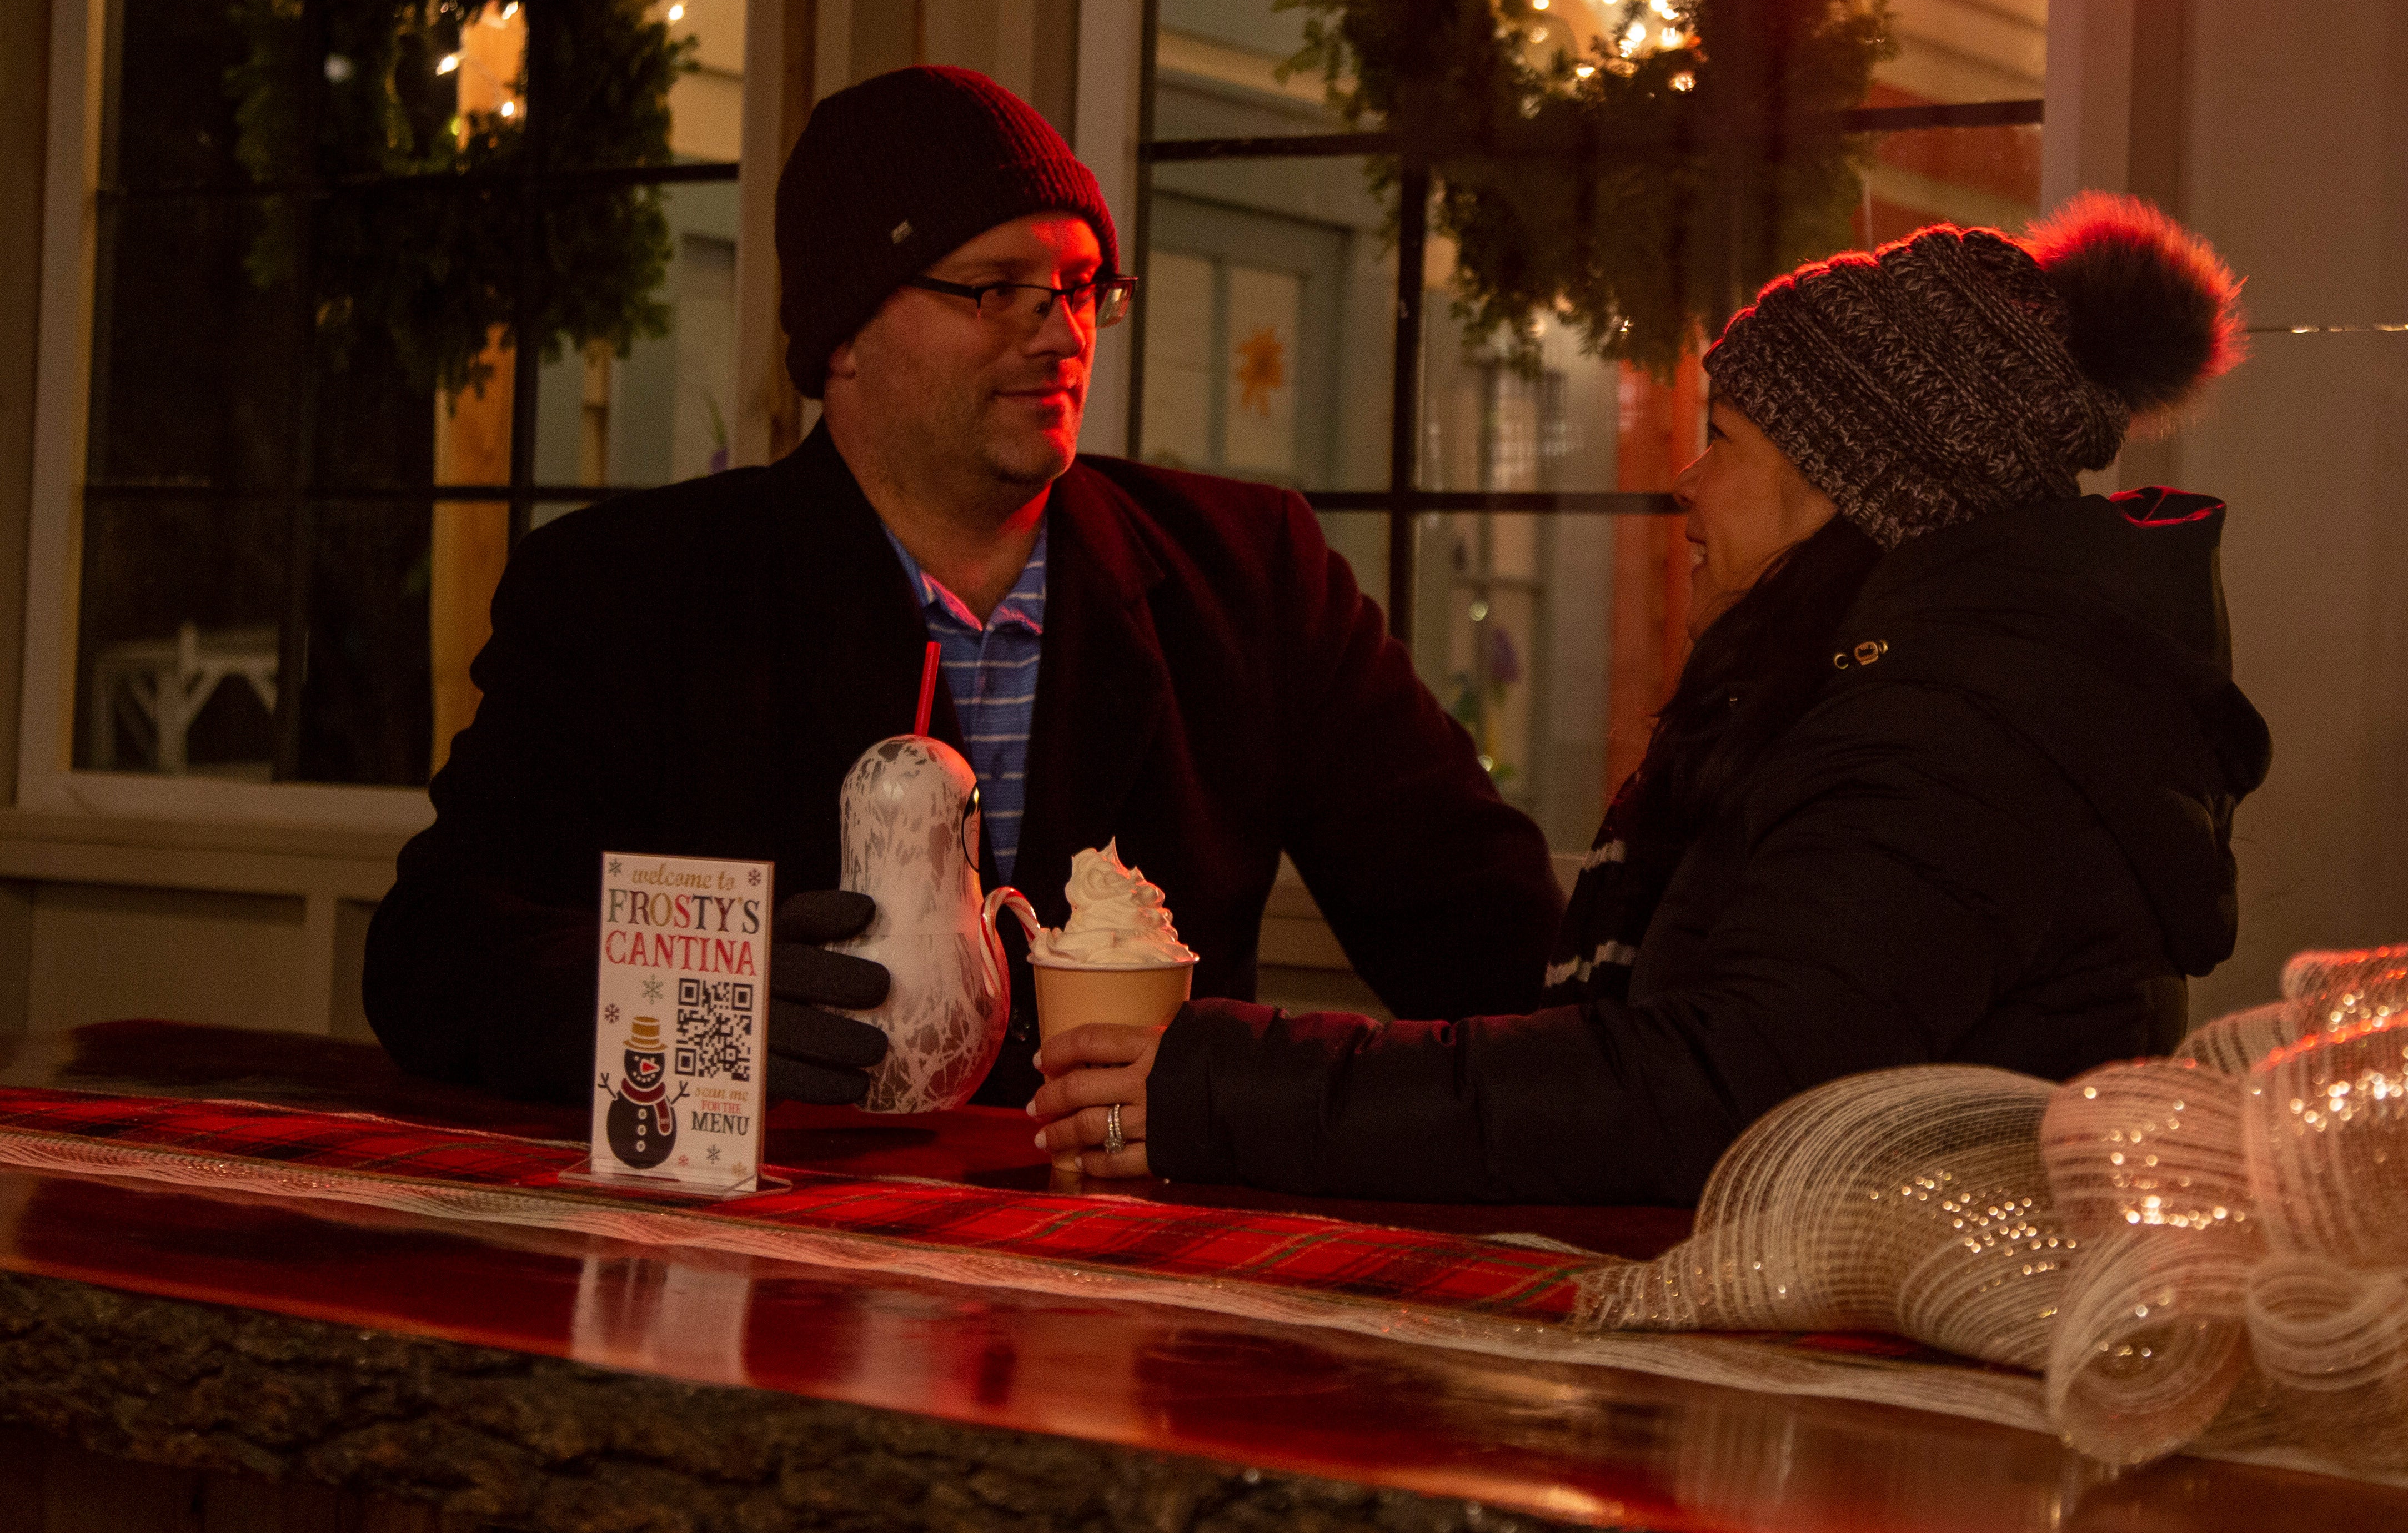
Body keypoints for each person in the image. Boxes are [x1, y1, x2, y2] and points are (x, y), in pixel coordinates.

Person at [1027, 198, 2275, 1204]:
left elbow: (1711, 1094)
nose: (1687, 480)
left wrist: (1227, 1087)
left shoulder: (1950, 743)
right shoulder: (1898, 703)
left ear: (1855, 484)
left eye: (1725, 438)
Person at [363, 66, 1562, 1105]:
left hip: (1124, 1271)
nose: (1061, 334)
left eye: (1083, 287)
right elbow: (433, 955)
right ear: (842, 334)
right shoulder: (632, 591)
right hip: (775, 1268)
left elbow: (1489, 936)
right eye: (995, 290)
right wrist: (701, 1005)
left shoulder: (1251, 577)